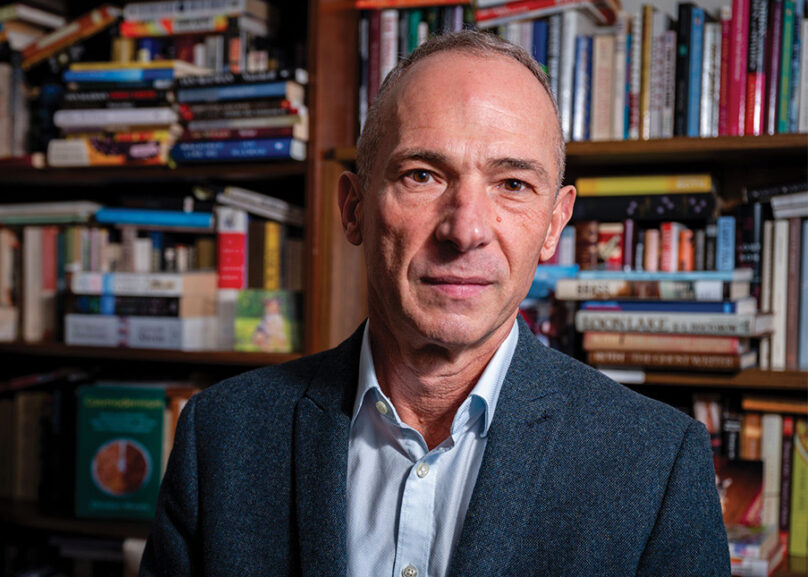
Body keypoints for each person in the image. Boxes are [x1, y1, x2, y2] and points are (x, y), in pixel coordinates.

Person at [140, 30, 729, 577]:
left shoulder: (658, 466)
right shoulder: (219, 437)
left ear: (554, 224)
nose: (466, 229)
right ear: (353, 208)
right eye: (423, 175)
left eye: (513, 184)